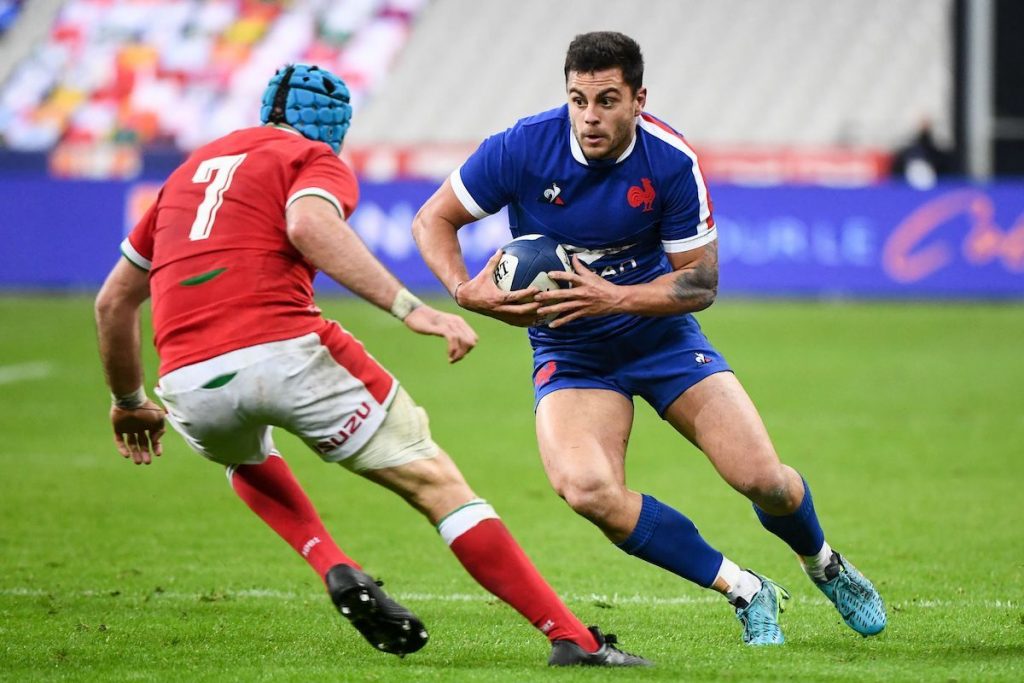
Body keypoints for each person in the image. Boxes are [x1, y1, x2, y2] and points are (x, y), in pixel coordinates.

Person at [94, 63, 649, 667]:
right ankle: (572, 637)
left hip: (188, 381)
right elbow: (308, 223)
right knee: (439, 487)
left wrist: (128, 402)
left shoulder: (186, 175)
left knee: (244, 453)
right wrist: (409, 308)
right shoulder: (310, 159)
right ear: (334, 127)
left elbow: (114, 300)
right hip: (287, 348)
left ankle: (330, 561)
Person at [412, 32, 886, 646]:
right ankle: (746, 589)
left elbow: (701, 283)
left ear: (638, 99)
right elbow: (433, 219)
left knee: (763, 479)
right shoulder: (522, 148)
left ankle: (825, 563)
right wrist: (461, 287)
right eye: (578, 100)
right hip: (572, 350)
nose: (590, 117)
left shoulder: (668, 160)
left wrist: (613, 297)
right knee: (587, 490)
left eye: (606, 100)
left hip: (662, 339)